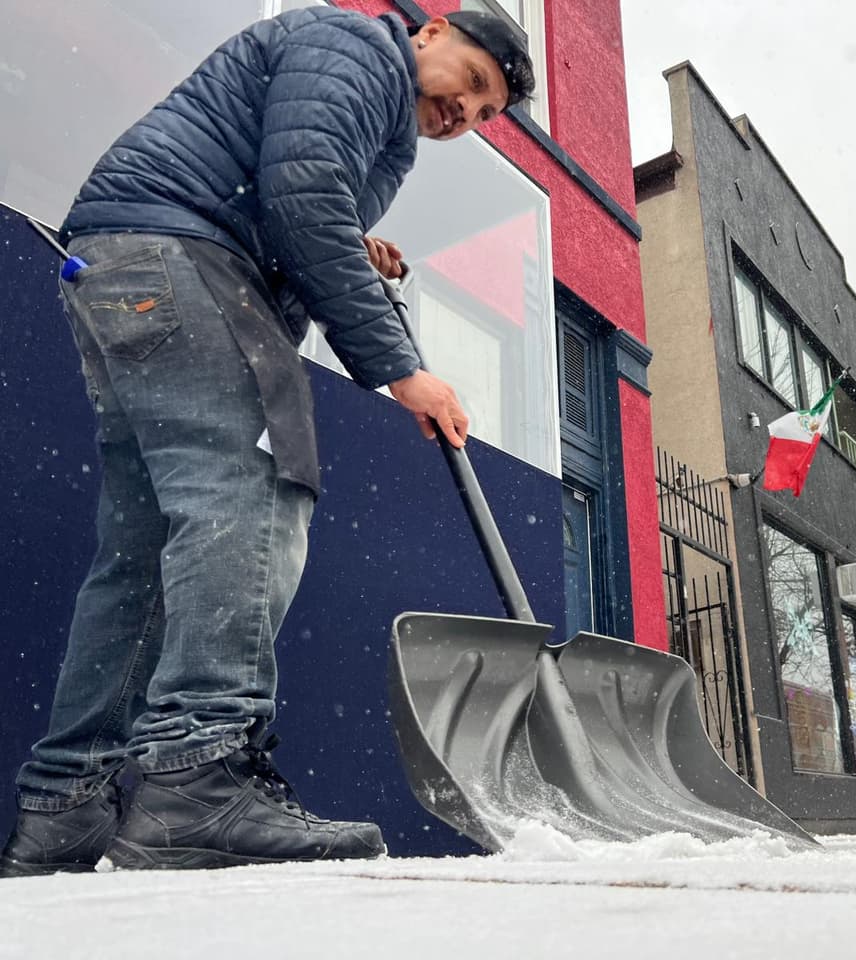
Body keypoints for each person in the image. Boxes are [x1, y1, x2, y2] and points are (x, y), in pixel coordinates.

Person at [0, 5, 534, 877]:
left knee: (141, 553)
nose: (461, 114)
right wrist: (402, 367)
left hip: (128, 263)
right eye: (471, 84)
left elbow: (285, 194)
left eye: (480, 116)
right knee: (249, 491)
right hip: (180, 257)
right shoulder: (358, 45)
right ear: (432, 32)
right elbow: (303, 194)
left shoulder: (366, 98)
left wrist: (352, 248)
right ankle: (197, 778)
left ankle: (64, 805)